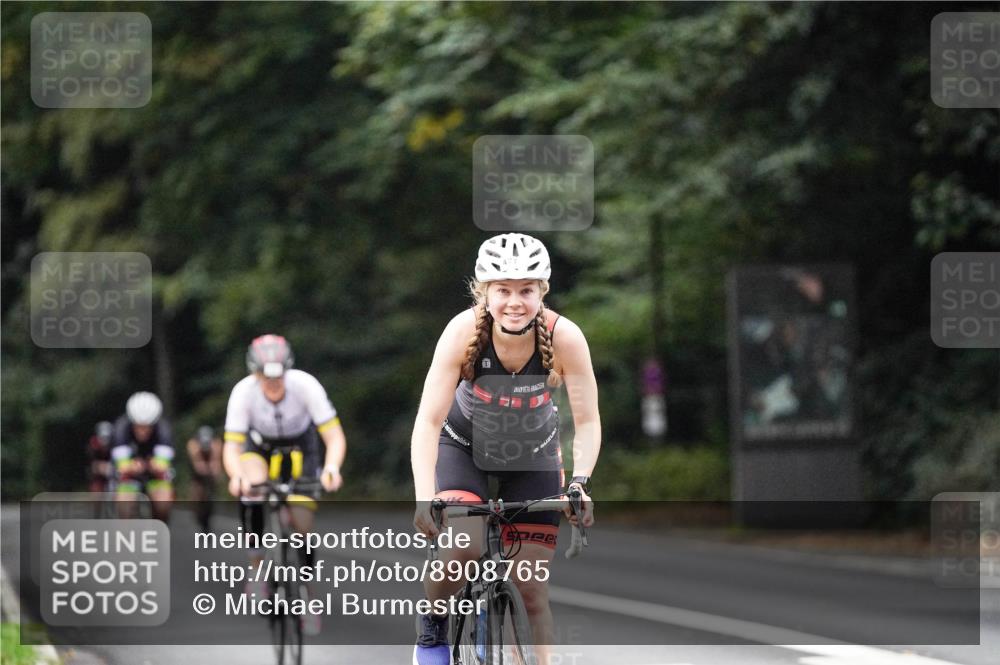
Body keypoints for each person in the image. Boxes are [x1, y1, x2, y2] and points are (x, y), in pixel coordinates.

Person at [410, 233, 600, 665]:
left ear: (541, 293)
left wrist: (579, 482)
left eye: (526, 291)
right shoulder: (461, 332)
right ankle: (433, 625)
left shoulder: (565, 337)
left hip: (532, 456)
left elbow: (587, 421)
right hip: (463, 449)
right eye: (503, 291)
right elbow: (428, 421)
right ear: (484, 293)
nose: (515, 302)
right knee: (463, 546)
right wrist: (425, 496)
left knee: (532, 589)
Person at [222, 334, 346, 636]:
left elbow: (333, 435)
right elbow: (231, 448)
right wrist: (235, 475)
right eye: (266, 378)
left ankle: (307, 598)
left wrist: (331, 467)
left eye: (278, 378)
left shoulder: (306, 386)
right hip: (259, 448)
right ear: (255, 373)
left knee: (303, 524)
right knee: (252, 485)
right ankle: (256, 568)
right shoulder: (243, 393)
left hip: (300, 450)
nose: (273, 385)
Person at [111, 391, 175, 523]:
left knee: (163, 504)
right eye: (138, 427)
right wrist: (133, 467)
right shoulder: (120, 428)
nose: (143, 431)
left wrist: (150, 466)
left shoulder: (164, 429)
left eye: (147, 427)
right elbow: (122, 467)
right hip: (130, 475)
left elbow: (162, 466)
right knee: (125, 508)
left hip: (154, 474)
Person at [186, 425, 223, 532]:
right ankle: (197, 512)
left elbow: (216, 462)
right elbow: (197, 464)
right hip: (196, 473)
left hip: (209, 469)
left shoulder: (216, 444)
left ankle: (210, 508)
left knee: (212, 488)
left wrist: (215, 472)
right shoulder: (193, 444)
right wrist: (201, 467)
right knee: (196, 494)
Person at [87, 420, 115, 493]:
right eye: (102, 437)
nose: (105, 441)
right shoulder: (93, 445)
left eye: (107, 437)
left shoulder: (115, 444)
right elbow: (93, 466)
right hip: (98, 478)